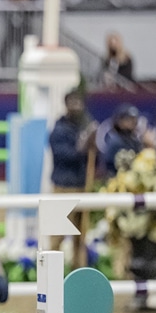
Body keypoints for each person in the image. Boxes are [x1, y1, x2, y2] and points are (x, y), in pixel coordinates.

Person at [48, 91, 97, 265]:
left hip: (82, 187)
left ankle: (78, 272)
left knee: (81, 236)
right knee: (57, 236)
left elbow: (94, 158)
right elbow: (66, 156)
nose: (77, 106)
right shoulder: (58, 130)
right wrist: (84, 143)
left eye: (79, 102)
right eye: (73, 102)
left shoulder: (83, 126)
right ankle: (51, 274)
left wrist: (92, 144)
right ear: (66, 105)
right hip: (63, 188)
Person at [102, 104, 146, 177]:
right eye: (128, 119)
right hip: (116, 178)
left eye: (134, 119)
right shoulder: (115, 141)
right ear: (119, 121)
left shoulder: (135, 141)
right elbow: (109, 164)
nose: (133, 122)